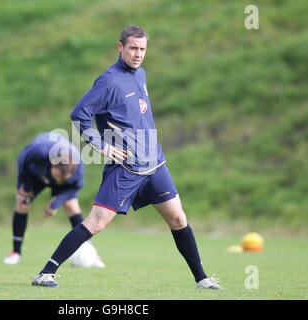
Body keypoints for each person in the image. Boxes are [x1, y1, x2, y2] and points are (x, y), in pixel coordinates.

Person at [31, 25, 223, 289]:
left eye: (143, 49)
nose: (138, 54)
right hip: (126, 167)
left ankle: (202, 279)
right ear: (120, 47)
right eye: (133, 48)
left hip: (155, 164)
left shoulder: (140, 73)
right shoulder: (108, 81)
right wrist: (101, 146)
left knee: (178, 219)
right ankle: (46, 273)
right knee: (97, 223)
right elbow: (79, 113)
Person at [3, 131, 105, 268]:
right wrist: (25, 185)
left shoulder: (77, 168)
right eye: (58, 176)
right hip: (36, 174)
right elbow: (23, 158)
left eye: (63, 178)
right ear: (53, 163)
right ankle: (15, 252)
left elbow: (74, 188)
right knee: (22, 202)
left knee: (72, 205)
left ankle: (90, 253)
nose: (58, 180)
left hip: (59, 178)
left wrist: (55, 203)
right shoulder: (39, 152)